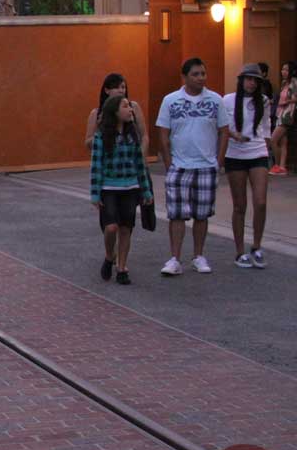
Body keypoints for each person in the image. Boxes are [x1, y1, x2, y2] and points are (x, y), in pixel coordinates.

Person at [156, 57, 230, 276]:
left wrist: (219, 160)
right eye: (196, 74)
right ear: (185, 77)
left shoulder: (215, 100)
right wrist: (169, 163)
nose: (201, 78)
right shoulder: (171, 100)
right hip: (179, 166)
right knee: (177, 214)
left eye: (203, 74)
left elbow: (224, 130)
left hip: (206, 165)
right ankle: (175, 258)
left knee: (202, 214)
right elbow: (163, 132)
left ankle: (198, 256)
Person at [90, 94, 153, 285]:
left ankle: (122, 267)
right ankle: (110, 256)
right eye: (125, 106)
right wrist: (95, 193)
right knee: (111, 227)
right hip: (109, 187)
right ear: (115, 112)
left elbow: (139, 164)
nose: (130, 110)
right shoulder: (101, 136)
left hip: (131, 187)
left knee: (126, 228)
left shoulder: (132, 134)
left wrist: (146, 190)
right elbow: (96, 165)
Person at [222, 64, 272, 269]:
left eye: (255, 80)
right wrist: (234, 136)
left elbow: (267, 126)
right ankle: (240, 251)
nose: (251, 83)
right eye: (248, 79)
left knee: (260, 202)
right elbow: (223, 126)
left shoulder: (264, 101)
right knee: (239, 205)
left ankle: (257, 246)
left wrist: (269, 147)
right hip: (235, 154)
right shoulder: (228, 100)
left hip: (258, 151)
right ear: (241, 80)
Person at [84, 73, 149, 155]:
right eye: (116, 87)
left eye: (123, 87)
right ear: (107, 90)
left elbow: (144, 136)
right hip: (110, 160)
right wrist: (105, 132)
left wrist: (141, 157)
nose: (121, 91)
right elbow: (88, 142)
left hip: (132, 158)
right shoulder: (96, 113)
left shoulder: (133, 107)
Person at [269, 60, 296, 175]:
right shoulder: (284, 83)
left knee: (273, 140)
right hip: (280, 113)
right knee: (283, 142)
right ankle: (282, 166)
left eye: (286, 69)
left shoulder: (294, 82)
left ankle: (277, 165)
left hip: (287, 114)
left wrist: (286, 102)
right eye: (282, 69)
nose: (283, 71)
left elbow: (295, 98)